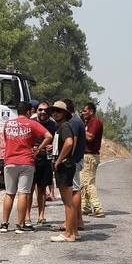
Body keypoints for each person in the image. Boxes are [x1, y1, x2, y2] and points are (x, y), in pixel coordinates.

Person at [0, 101, 50, 233]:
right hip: (26, 161)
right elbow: (48, 136)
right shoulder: (32, 124)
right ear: (28, 111)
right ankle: (20, 225)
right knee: (23, 193)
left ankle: (4, 224)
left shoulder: (8, 124)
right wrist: (38, 149)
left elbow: (6, 139)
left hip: (9, 161)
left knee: (9, 193)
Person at [48, 100, 81, 242]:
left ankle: (68, 234)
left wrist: (59, 160)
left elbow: (69, 143)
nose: (55, 113)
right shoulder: (61, 127)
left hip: (64, 167)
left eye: (58, 111)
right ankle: (73, 232)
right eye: (53, 111)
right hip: (66, 166)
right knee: (69, 202)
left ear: (65, 113)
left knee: (67, 202)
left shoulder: (65, 127)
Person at [63, 98, 87, 232]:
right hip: (77, 160)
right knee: (74, 190)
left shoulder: (73, 122)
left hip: (73, 161)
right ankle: (78, 221)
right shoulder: (77, 120)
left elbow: (73, 142)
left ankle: (71, 224)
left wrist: (66, 159)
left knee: (73, 191)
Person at [80, 101, 106, 218]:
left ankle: (98, 208)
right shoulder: (89, 122)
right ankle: (85, 207)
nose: (83, 113)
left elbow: (90, 137)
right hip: (86, 155)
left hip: (90, 156)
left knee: (89, 183)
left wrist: (81, 129)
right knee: (84, 182)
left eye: (85, 111)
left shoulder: (95, 122)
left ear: (91, 111)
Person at [31, 100, 56, 226]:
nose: (43, 112)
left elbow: (58, 141)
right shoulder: (32, 123)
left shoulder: (53, 125)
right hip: (31, 159)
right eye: (40, 109)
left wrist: (53, 146)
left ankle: (41, 216)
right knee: (29, 189)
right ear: (36, 111)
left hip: (46, 160)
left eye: (45, 110)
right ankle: (27, 217)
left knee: (41, 189)